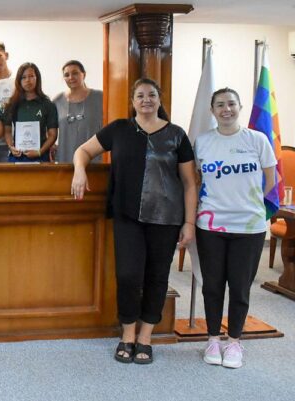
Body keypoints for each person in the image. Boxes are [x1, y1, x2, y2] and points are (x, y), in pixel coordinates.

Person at [71, 78, 197, 364]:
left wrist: (189, 223)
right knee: (128, 276)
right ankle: (127, 334)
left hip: (166, 218)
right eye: (140, 95)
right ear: (133, 101)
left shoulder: (177, 135)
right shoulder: (119, 129)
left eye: (151, 95)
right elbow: (83, 151)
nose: (146, 100)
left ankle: (145, 337)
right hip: (127, 215)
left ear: (160, 99)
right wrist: (80, 170)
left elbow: (190, 183)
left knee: (157, 276)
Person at [195, 88, 276, 369]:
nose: (226, 109)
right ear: (212, 110)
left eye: (231, 103)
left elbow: (270, 180)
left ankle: (234, 342)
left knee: (240, 288)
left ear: (240, 107)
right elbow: (196, 180)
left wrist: (250, 203)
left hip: (248, 227)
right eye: (220, 104)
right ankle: (213, 339)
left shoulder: (257, 139)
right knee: (213, 286)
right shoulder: (203, 142)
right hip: (211, 226)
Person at [3, 62, 58, 162]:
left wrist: (39, 152)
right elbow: (7, 131)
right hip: (17, 156)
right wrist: (11, 147)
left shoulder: (47, 104)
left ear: (37, 78)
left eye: (31, 76)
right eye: (23, 77)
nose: (28, 80)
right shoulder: (12, 104)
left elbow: (53, 134)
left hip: (41, 156)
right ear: (19, 81)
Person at [53, 60, 104, 163]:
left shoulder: (100, 97)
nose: (71, 77)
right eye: (67, 75)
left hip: (94, 159)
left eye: (75, 73)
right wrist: (51, 145)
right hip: (65, 159)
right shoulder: (57, 101)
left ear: (83, 74)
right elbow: (49, 129)